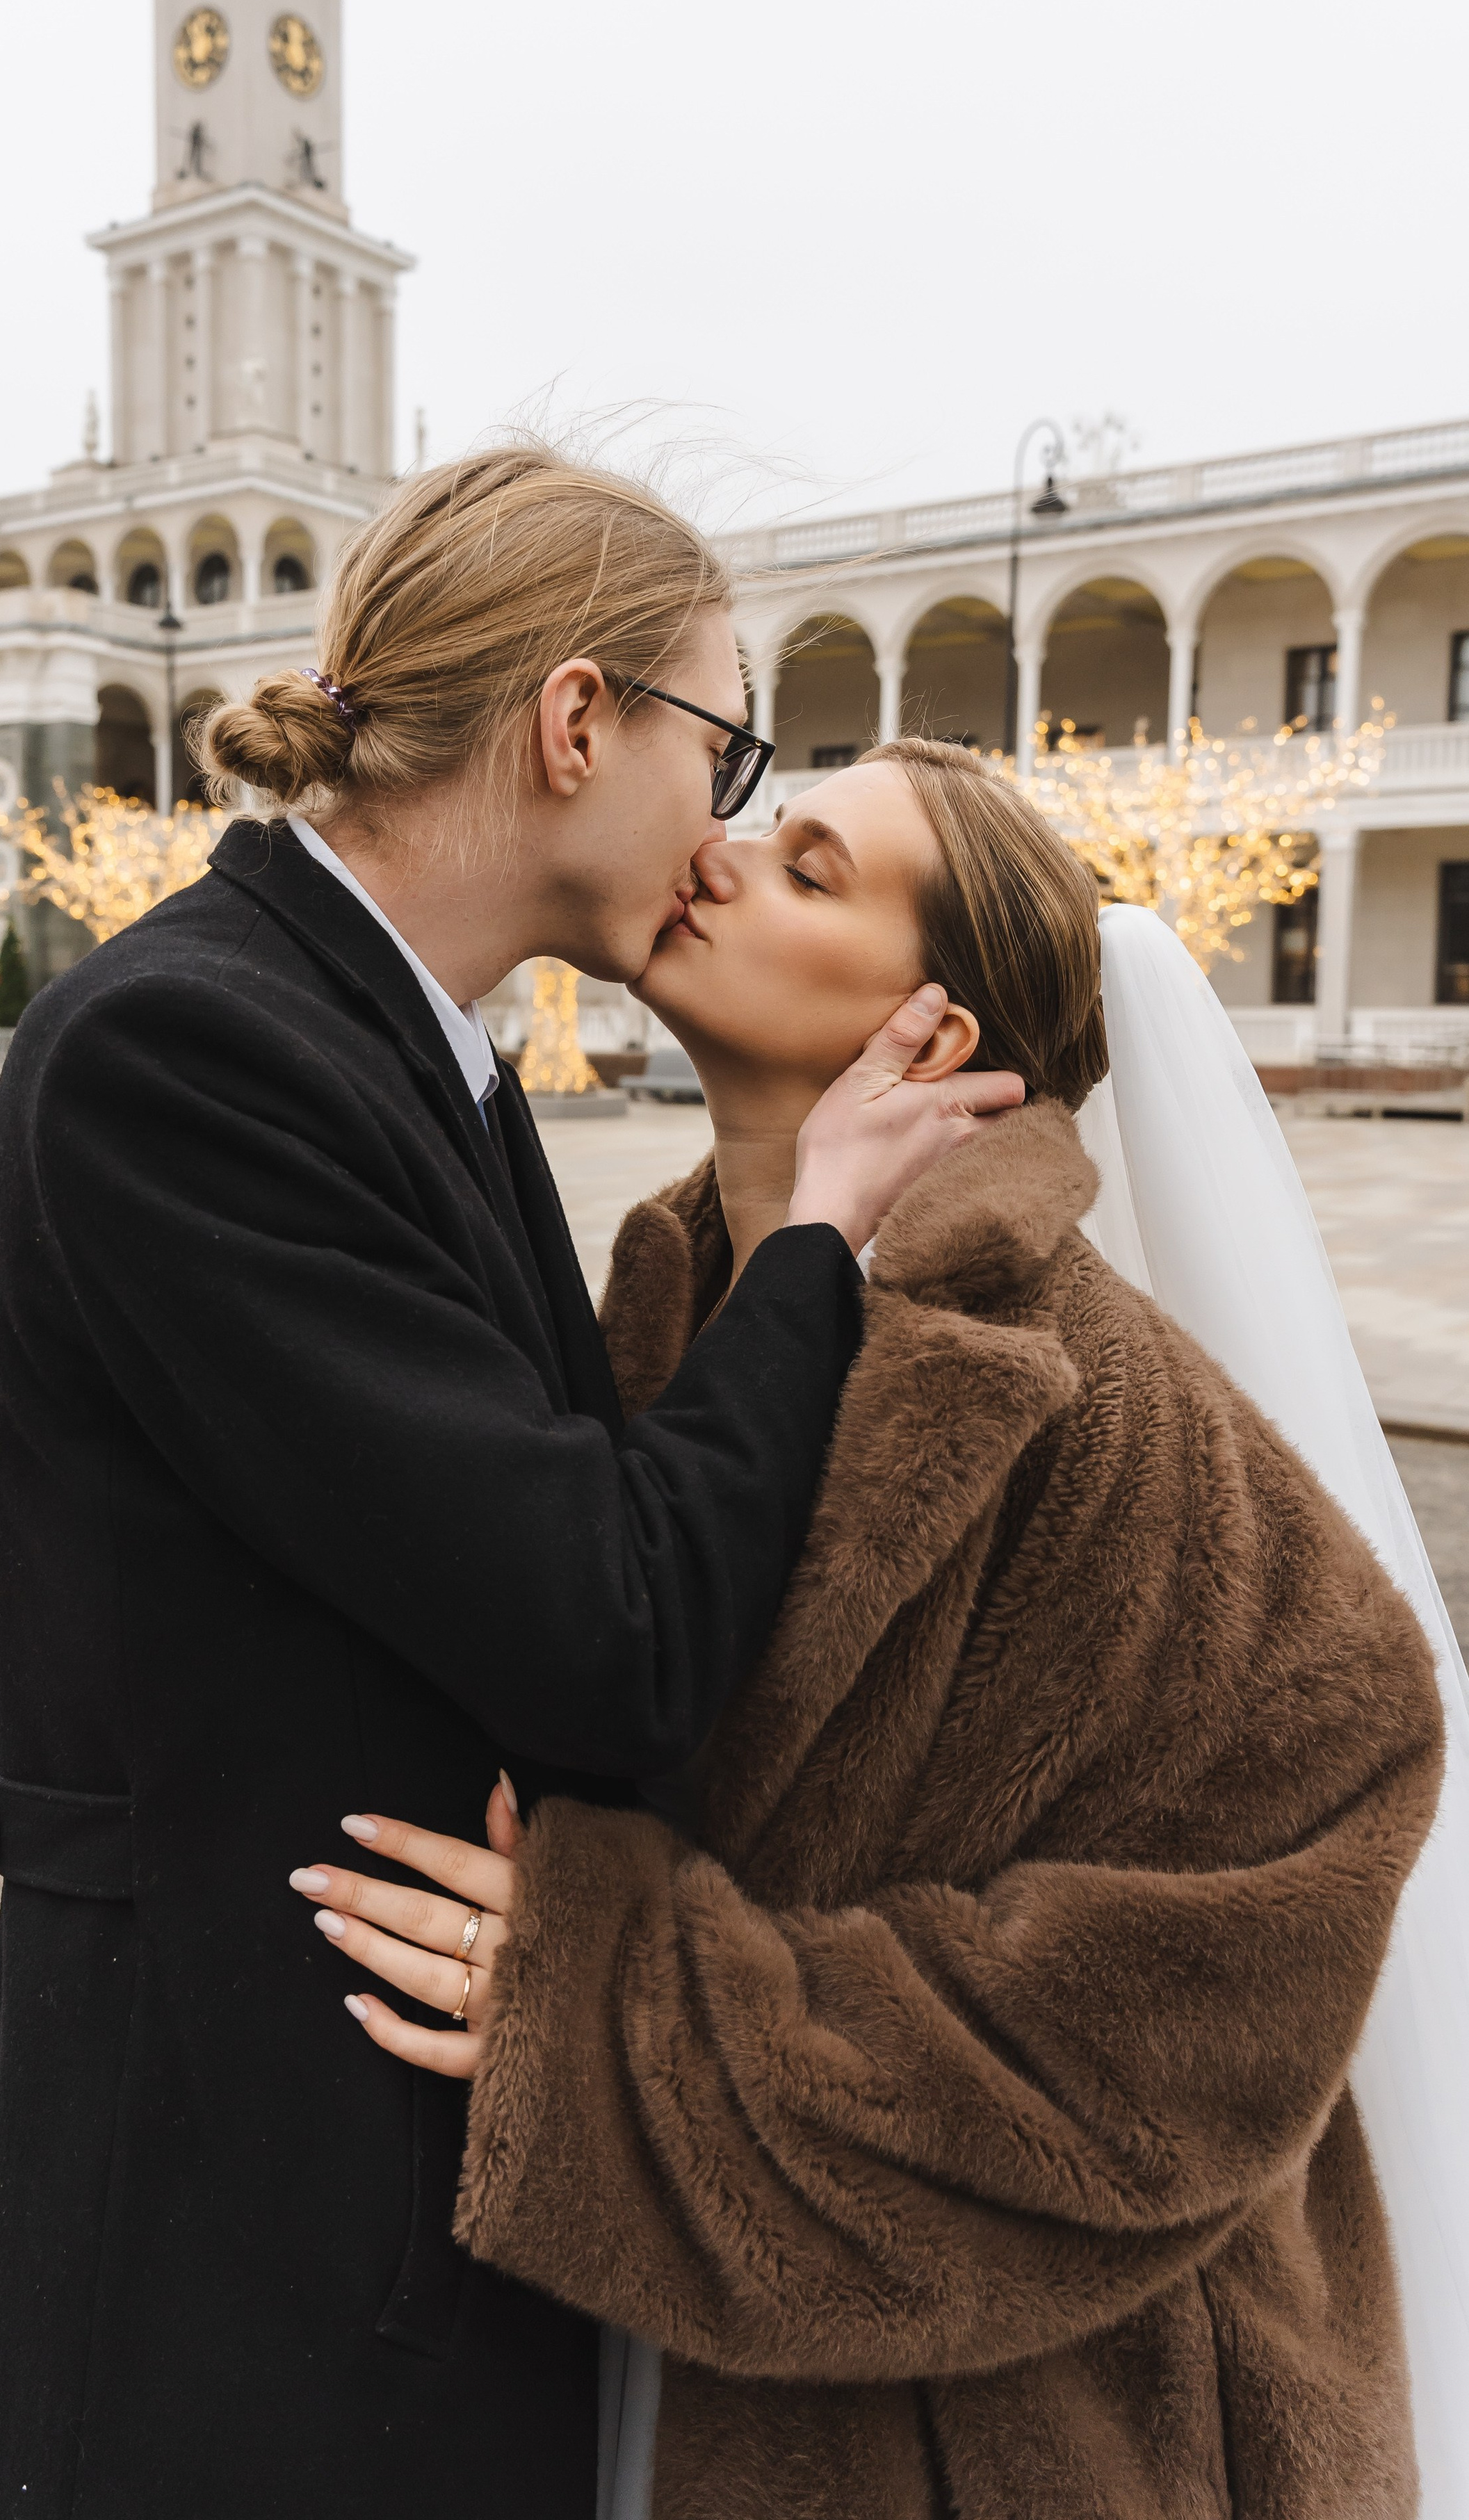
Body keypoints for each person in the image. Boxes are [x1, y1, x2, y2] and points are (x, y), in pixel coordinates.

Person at [0, 457, 1023, 2520]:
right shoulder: (190, 1050)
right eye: (729, 751)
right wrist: (814, 1246)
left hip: (375, 2264)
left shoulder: (419, 1050)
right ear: (579, 723)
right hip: (228, 2303)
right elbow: (609, 1635)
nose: (720, 827)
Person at [299, 739, 1459, 2520]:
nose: (722, 856)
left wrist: (623, 2013)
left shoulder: (1092, 1402)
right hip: (672, 2367)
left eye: (809, 867)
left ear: (934, 1030)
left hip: (1041, 2430)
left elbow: (1295, 1845)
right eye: (765, 824)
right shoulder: (644, 1310)